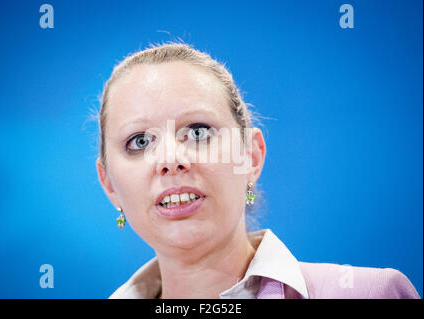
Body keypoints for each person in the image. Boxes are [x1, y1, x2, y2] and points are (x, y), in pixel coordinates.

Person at [95, 43, 420, 299]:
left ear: (250, 157)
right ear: (109, 185)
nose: (169, 159)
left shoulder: (373, 294)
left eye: (197, 132)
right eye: (139, 141)